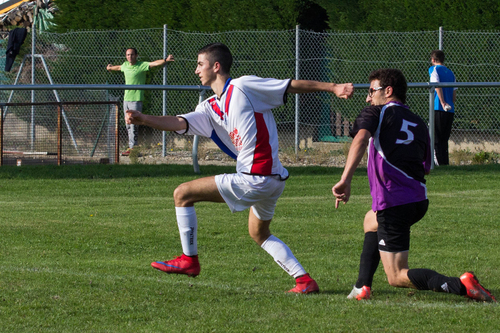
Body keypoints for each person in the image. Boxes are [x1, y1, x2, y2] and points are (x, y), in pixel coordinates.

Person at [126, 42, 354, 293]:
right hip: (273, 180)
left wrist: (333, 87)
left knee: (182, 193)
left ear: (216, 66)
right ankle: (304, 281)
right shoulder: (210, 107)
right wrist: (144, 118)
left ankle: (189, 260)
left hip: (255, 177)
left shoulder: (243, 86)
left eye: (200, 64)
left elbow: (289, 85)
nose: (196, 70)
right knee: (260, 233)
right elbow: (178, 122)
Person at [333, 68, 495, 302]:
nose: (368, 97)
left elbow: (359, 138)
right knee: (370, 221)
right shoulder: (418, 122)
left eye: (371, 91)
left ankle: (461, 285)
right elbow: (426, 165)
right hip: (418, 200)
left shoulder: (376, 113)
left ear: (387, 91)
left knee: (397, 276)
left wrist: (346, 179)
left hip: (394, 203)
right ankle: (362, 287)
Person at [107, 48, 174, 156]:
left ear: (136, 55)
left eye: (132, 55)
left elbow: (154, 64)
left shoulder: (141, 65)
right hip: (126, 99)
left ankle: (134, 149)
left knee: (133, 124)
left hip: (136, 99)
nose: (130, 57)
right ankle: (132, 147)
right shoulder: (125, 65)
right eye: (128, 55)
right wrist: (110, 68)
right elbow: (118, 67)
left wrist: (165, 60)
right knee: (128, 124)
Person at [429, 50, 457, 166]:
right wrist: (449, 103)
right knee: (444, 139)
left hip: (439, 107)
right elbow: (454, 94)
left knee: (435, 137)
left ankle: (438, 164)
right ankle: (445, 164)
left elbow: (437, 86)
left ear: (433, 60)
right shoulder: (451, 73)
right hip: (450, 109)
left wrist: (442, 102)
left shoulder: (434, 70)